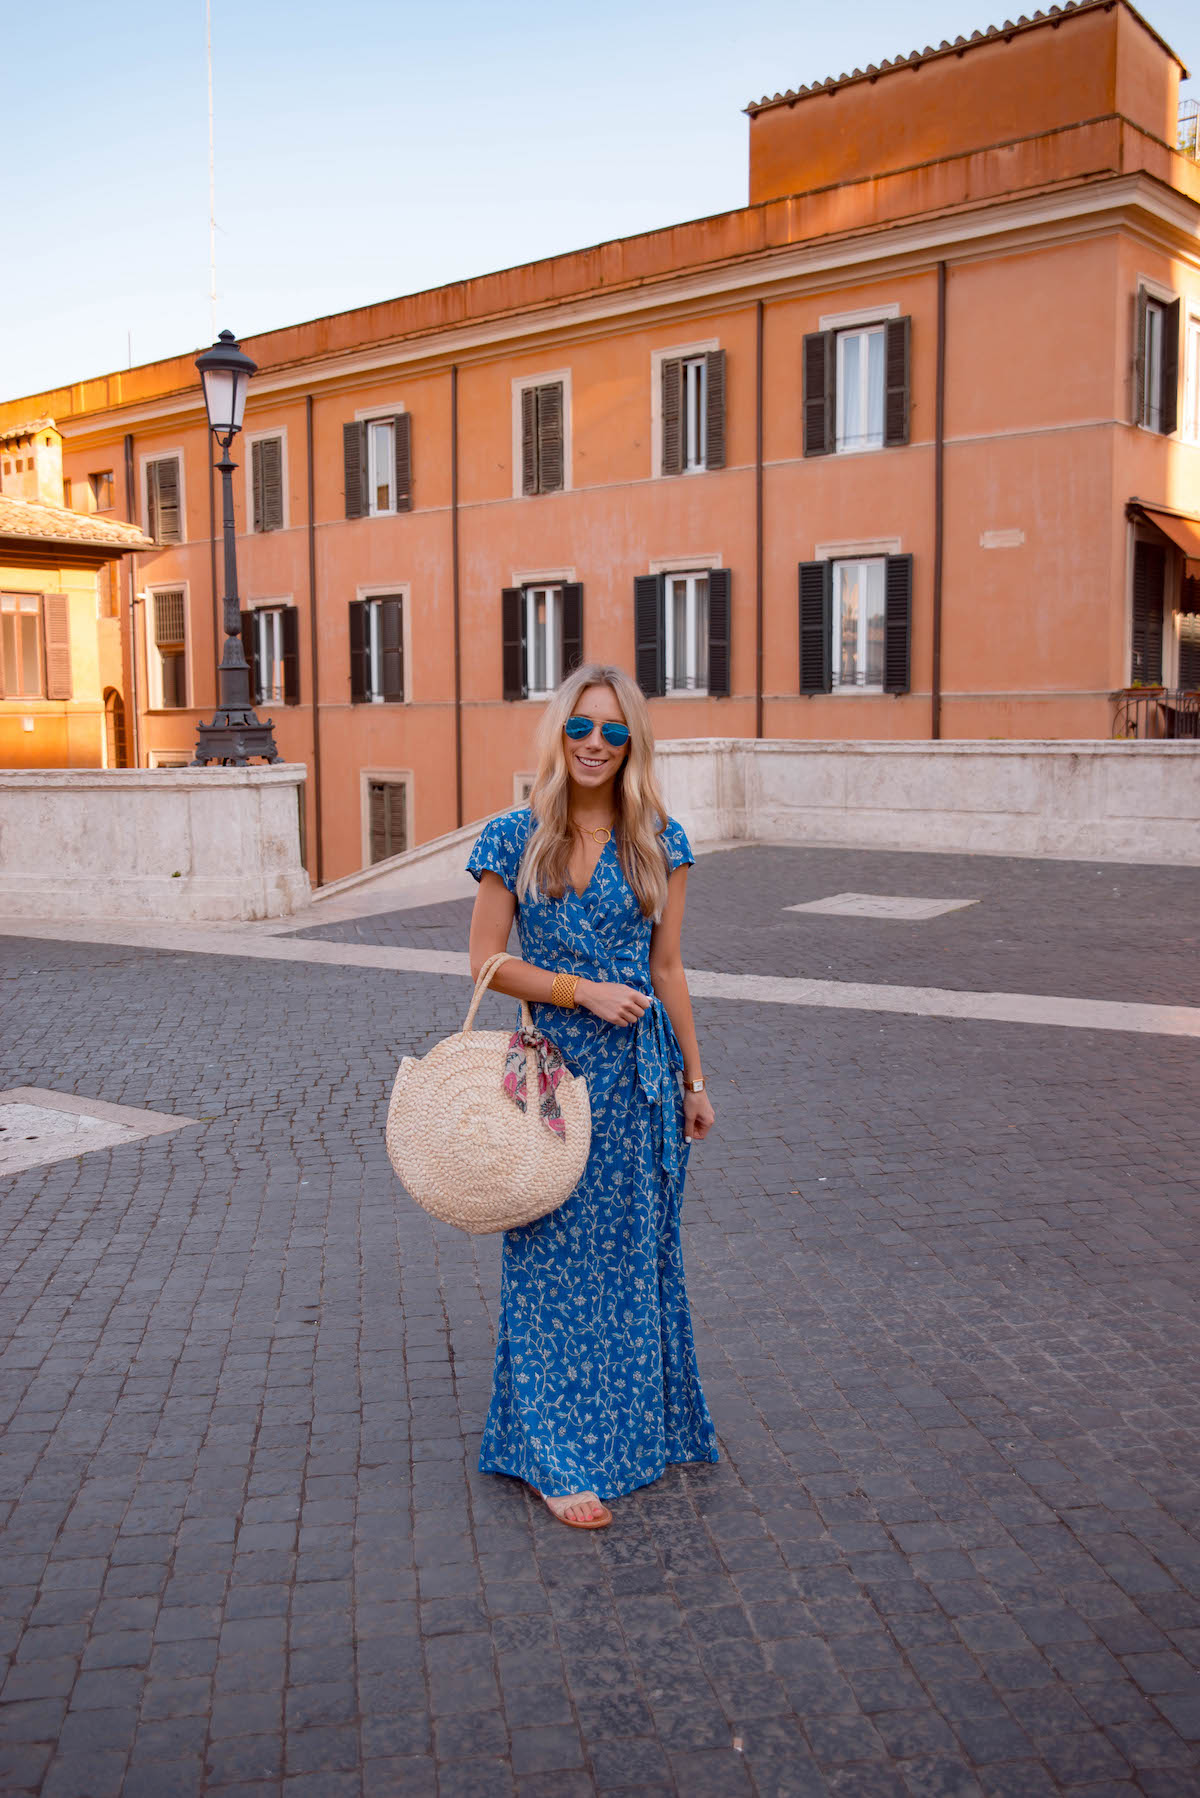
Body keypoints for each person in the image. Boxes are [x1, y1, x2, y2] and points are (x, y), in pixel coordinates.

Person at [466, 661, 719, 1528]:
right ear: (559, 734)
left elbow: (669, 968)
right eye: (582, 727)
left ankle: (639, 1431)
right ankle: (549, 1453)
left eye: (614, 731)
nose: (596, 745)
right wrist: (579, 991)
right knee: (545, 1260)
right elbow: (487, 964)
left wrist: (694, 1079)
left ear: (632, 743)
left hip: (640, 1084)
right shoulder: (514, 835)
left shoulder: (661, 841)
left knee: (633, 1264)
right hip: (546, 1077)